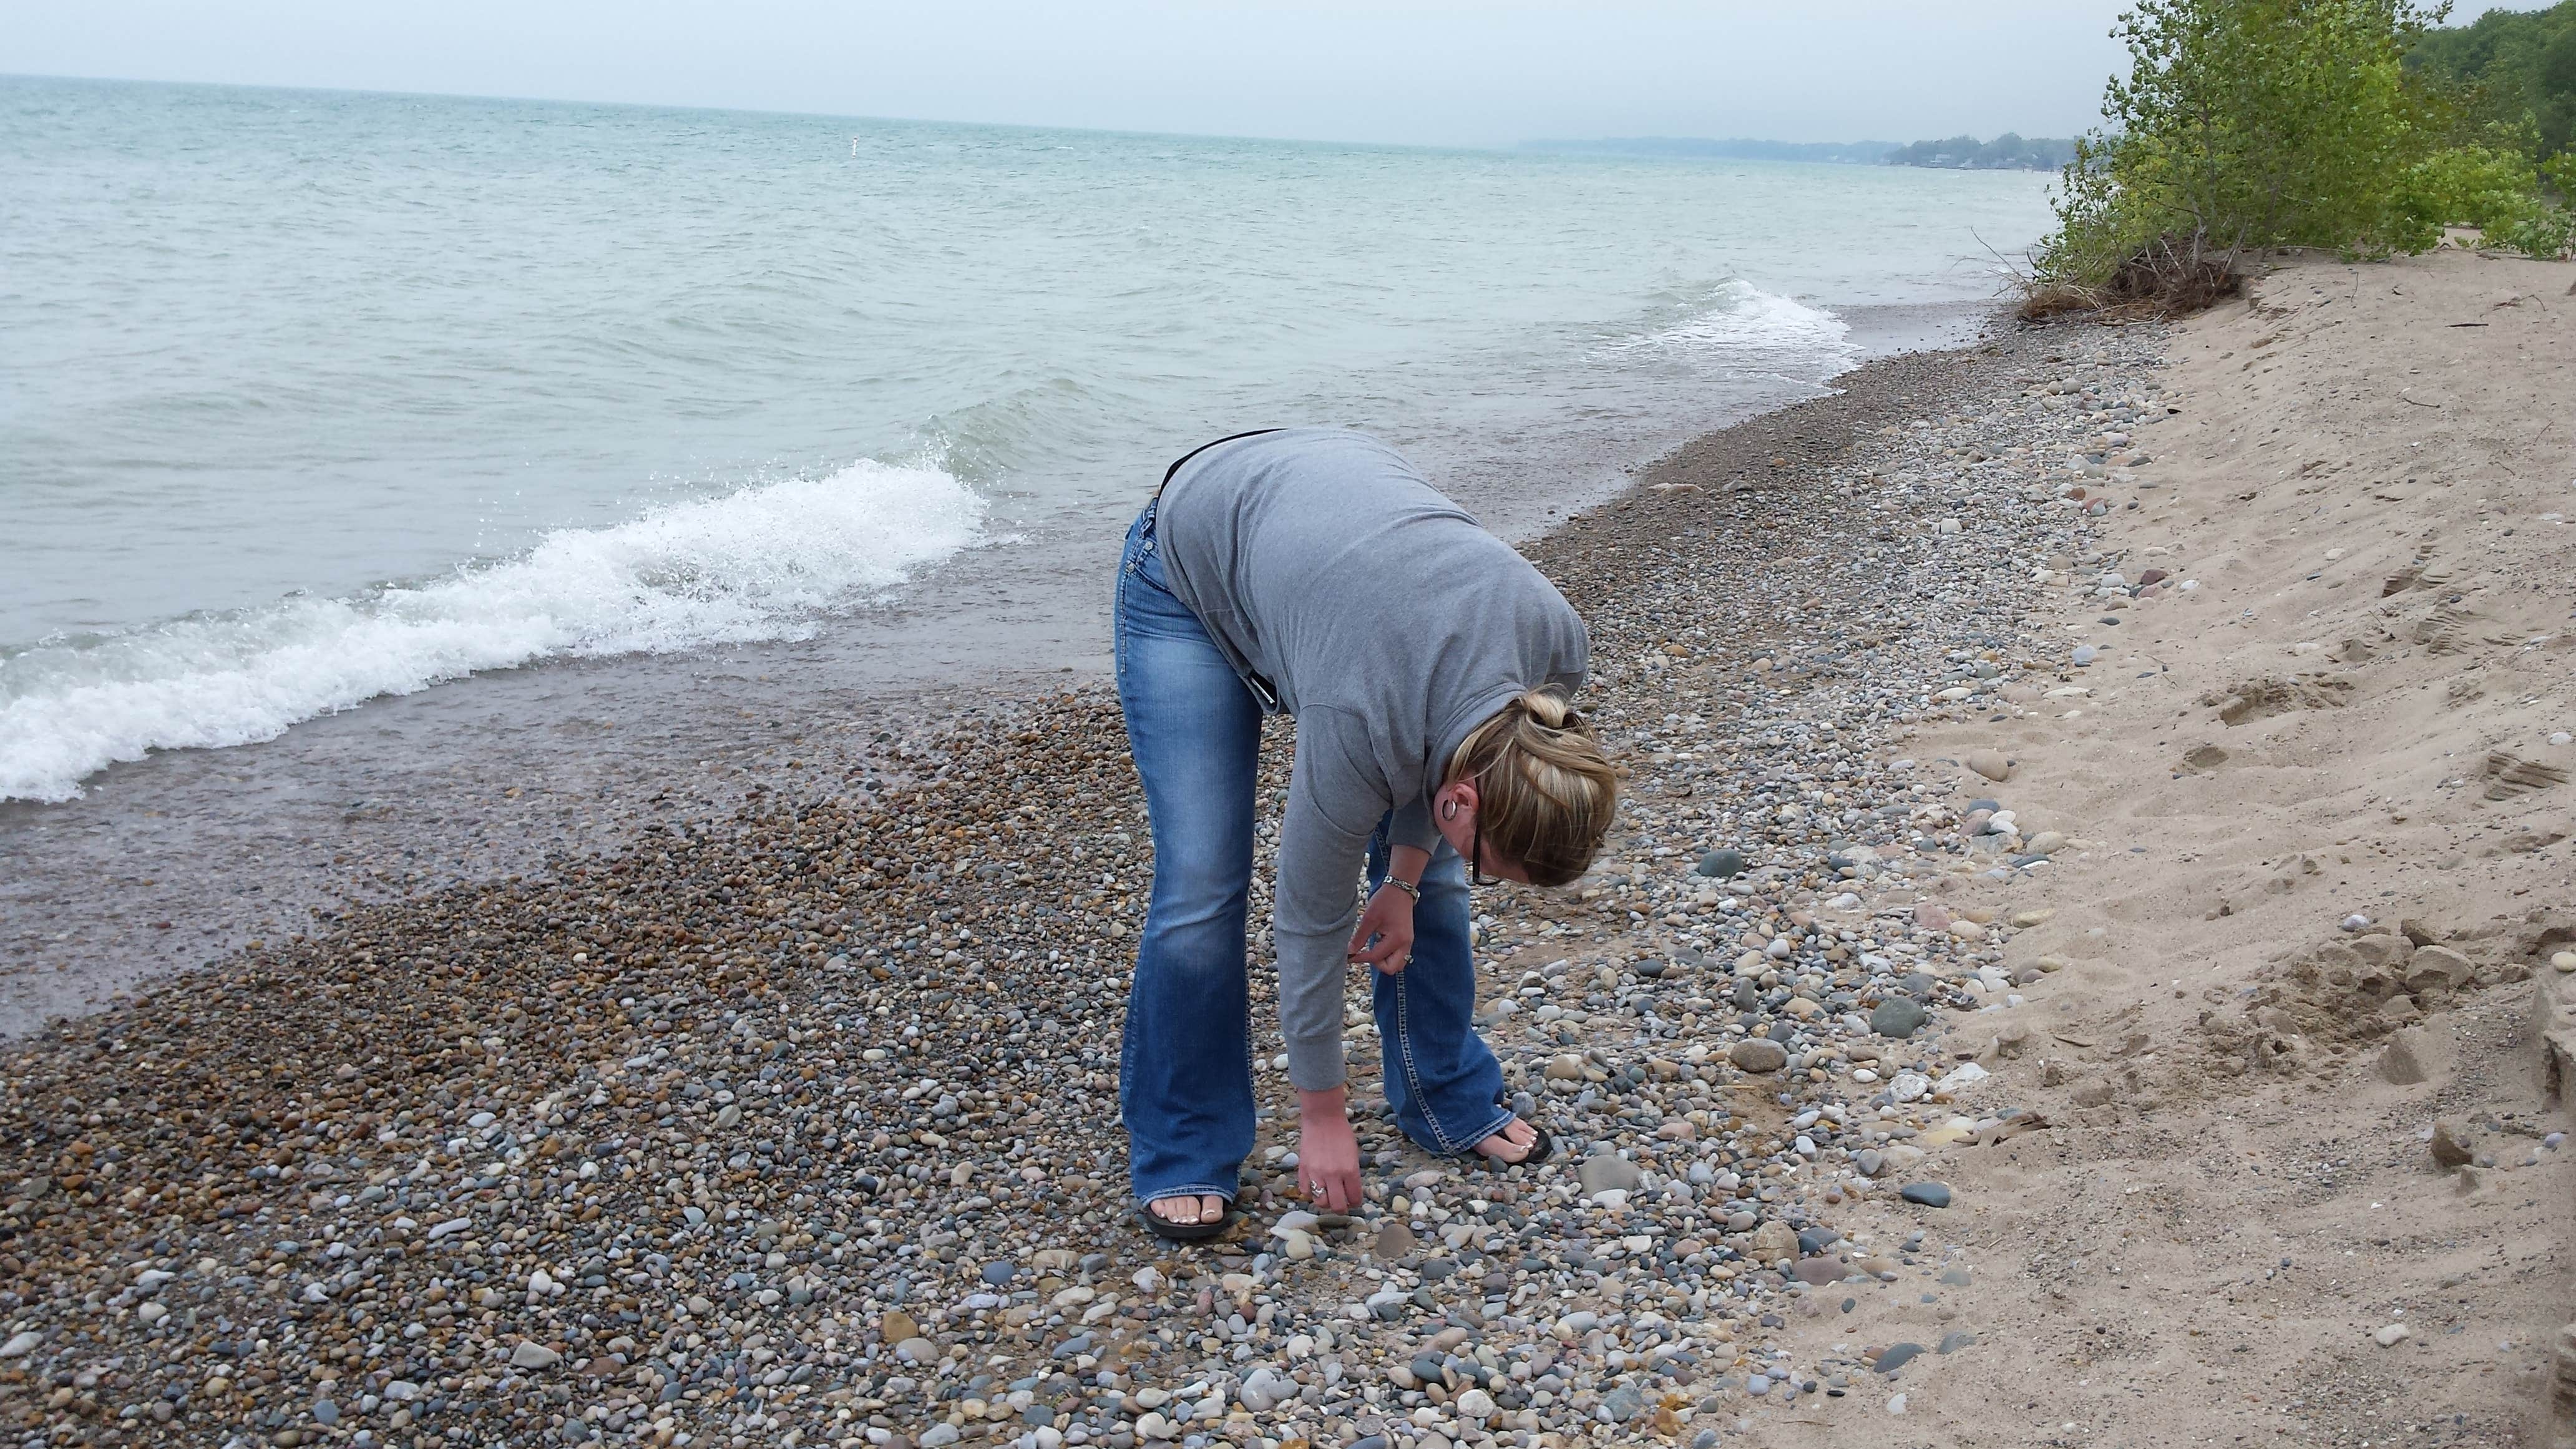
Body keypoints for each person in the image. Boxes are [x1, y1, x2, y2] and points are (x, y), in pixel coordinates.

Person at [1114, 427, 1617, 1241]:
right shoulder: (1358, 719)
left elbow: (1446, 757)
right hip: (1192, 564)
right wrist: (1321, 1111)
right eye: (1492, 865)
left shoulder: (1554, 651)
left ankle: (1441, 1091)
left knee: (1434, 877)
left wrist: (1406, 877)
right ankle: (1184, 1141)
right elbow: (1309, 919)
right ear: (1460, 800)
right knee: (1203, 881)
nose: (1484, 874)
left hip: (1343, 565)